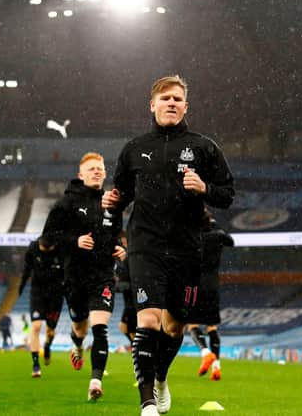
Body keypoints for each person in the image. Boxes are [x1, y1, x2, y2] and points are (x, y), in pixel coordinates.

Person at [102, 75, 235, 416]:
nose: (171, 103)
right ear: (153, 105)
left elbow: (227, 194)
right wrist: (111, 206)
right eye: (165, 98)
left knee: (174, 326)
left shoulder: (204, 147)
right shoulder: (133, 149)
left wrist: (204, 188)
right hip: (145, 246)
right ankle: (147, 402)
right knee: (147, 320)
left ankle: (160, 378)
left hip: (187, 249)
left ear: (185, 106)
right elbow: (120, 197)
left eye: (177, 99)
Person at [42, 151, 125, 401]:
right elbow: (47, 238)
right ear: (81, 175)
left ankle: (95, 382)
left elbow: (116, 234)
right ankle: (77, 344)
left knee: (100, 329)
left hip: (102, 277)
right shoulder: (66, 203)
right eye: (91, 169)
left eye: (100, 168)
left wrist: (121, 247)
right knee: (80, 326)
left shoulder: (112, 203)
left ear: (105, 173)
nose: (97, 172)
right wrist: (74, 240)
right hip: (74, 276)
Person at [187, 208, 234, 381]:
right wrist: (216, 226)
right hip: (212, 285)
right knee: (212, 326)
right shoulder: (218, 235)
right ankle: (217, 366)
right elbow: (231, 241)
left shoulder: (193, 238)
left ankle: (205, 352)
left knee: (192, 324)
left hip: (194, 285)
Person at [18, 235, 65, 378]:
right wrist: (21, 285)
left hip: (55, 295)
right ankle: (35, 364)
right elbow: (26, 268)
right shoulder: (33, 248)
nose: (44, 251)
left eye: (47, 249)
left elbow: (68, 271)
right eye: (42, 248)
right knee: (36, 326)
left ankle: (47, 346)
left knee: (50, 331)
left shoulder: (61, 250)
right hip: (37, 293)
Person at [116, 232, 137, 348]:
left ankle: (136, 348)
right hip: (129, 300)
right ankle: (136, 348)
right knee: (128, 328)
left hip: (132, 301)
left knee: (124, 327)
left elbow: (128, 279)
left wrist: (117, 285)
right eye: (122, 240)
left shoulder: (131, 256)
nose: (123, 242)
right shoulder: (123, 256)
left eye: (125, 240)